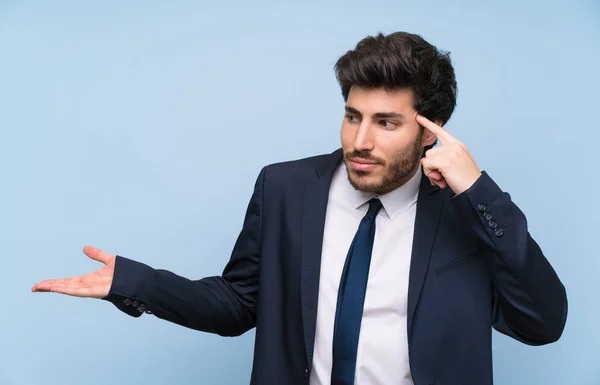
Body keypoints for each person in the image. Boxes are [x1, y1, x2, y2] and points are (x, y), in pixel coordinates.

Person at [31, 31, 568, 385]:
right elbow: (239, 304)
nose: (360, 140)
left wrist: (478, 192)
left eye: (386, 123)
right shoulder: (285, 188)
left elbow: (542, 322)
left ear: (430, 132)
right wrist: (134, 282)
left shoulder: (464, 211)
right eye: (352, 115)